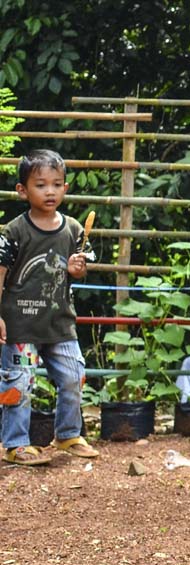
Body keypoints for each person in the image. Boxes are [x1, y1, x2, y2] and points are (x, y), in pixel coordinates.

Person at [0, 149, 98, 465]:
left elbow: (79, 271)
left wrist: (76, 269)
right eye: (40, 185)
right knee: (19, 383)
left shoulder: (74, 230)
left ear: (65, 187)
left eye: (56, 184)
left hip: (60, 324)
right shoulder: (14, 231)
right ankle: (16, 444)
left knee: (74, 377)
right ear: (22, 190)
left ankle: (68, 434)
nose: (50, 191)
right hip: (20, 326)